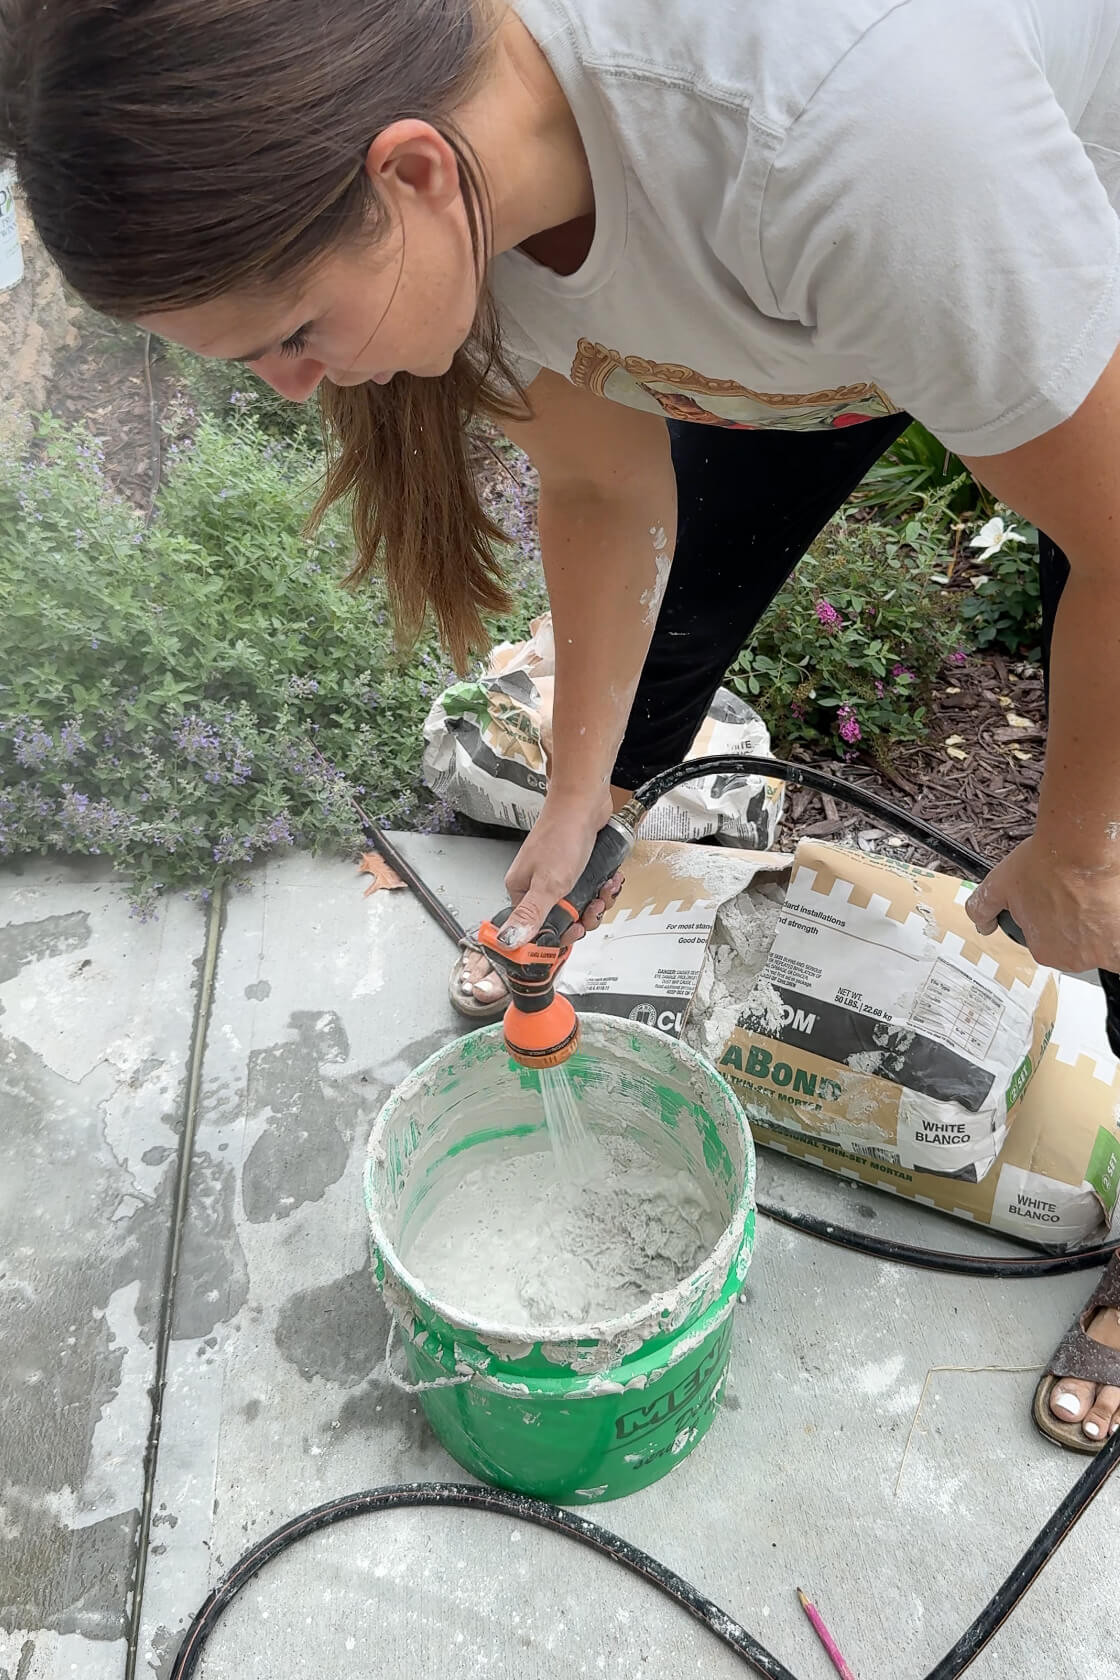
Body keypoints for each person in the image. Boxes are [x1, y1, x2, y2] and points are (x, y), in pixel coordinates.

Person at [4, 0, 1120, 1450]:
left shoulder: (849, 132)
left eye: (289, 335)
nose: (290, 386)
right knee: (628, 713)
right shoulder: (476, 169)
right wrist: (577, 795)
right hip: (809, 288)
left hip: (1028, 256)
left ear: (410, 177)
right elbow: (599, 489)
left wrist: (1080, 841)